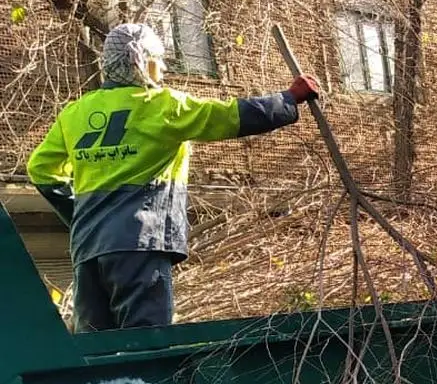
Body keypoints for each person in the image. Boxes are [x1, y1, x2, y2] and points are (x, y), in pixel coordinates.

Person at [26, 23, 320, 332]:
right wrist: (289, 99)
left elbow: (41, 169)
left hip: (87, 250)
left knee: (95, 350)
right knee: (147, 341)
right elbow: (232, 116)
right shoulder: (163, 106)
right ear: (146, 62)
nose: (164, 67)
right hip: (140, 244)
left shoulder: (75, 113)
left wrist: (79, 215)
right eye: (161, 59)